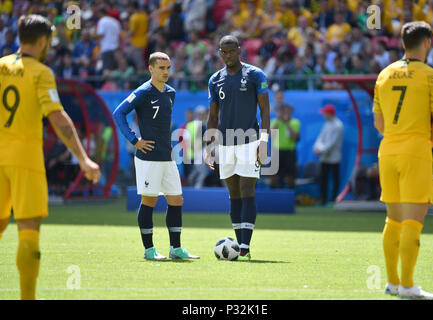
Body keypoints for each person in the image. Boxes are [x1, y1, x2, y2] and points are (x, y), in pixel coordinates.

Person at [0, 14, 100, 300]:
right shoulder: (41, 72)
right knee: (28, 229)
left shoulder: (0, 66)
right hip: (25, 159)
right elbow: (58, 118)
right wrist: (83, 158)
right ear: (43, 41)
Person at [373, 21, 433, 299]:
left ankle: (393, 283)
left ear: (403, 43)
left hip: (387, 150)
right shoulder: (431, 75)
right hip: (415, 151)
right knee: (413, 222)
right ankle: (408, 286)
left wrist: (395, 136)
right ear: (427, 42)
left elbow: (378, 121)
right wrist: (423, 144)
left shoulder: (384, 74)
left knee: (393, 220)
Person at [113, 51, 199, 261]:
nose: (166, 72)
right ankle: (149, 250)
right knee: (149, 201)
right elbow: (119, 113)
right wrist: (135, 140)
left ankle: (175, 248)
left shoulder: (170, 92)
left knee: (176, 200)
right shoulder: (143, 91)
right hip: (148, 157)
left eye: (168, 68)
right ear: (150, 69)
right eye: (161, 68)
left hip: (167, 156)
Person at [205, 35, 271, 261]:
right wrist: (208, 146)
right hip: (225, 143)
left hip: (250, 141)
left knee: (246, 190)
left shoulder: (255, 75)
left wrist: (264, 141)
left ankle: (244, 246)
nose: (228, 55)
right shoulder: (215, 80)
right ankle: (240, 244)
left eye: (232, 51)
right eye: (224, 52)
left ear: (239, 50)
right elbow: (213, 116)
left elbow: (264, 111)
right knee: (233, 194)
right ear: (220, 53)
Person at [313, 104, 343, 205]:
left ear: (329, 113)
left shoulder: (338, 125)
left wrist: (321, 150)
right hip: (324, 158)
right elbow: (321, 138)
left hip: (334, 157)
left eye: (325, 113)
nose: (324, 115)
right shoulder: (327, 124)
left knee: (335, 179)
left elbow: (332, 142)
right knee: (323, 179)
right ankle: (324, 199)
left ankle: (334, 199)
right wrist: (317, 148)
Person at [270, 104, 300, 189]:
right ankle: (272, 195)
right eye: (284, 111)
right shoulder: (275, 121)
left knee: (290, 176)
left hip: (289, 152)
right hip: (277, 151)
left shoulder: (295, 122)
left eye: (288, 111)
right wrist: (279, 120)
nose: (286, 113)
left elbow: (295, 137)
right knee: (274, 175)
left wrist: (287, 123)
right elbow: (272, 134)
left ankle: (291, 195)